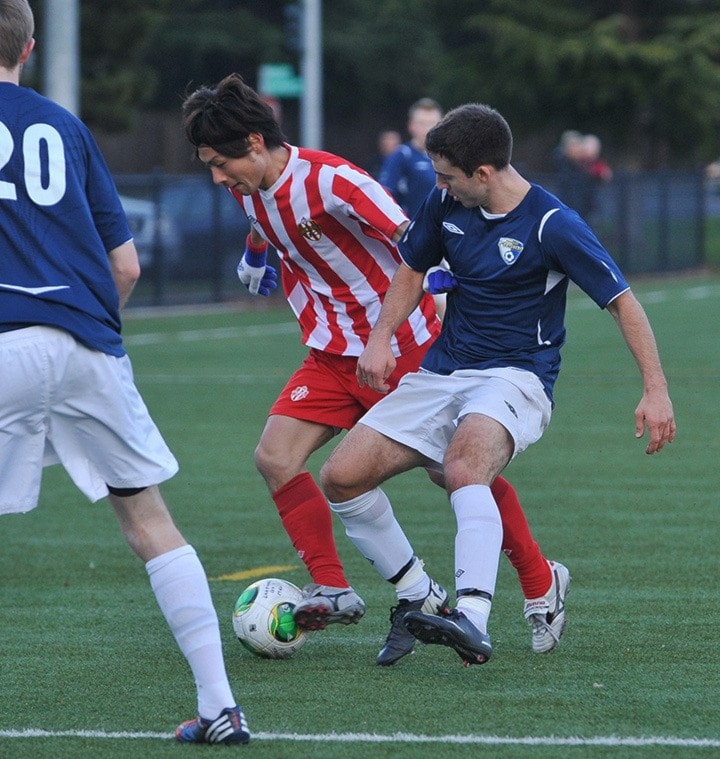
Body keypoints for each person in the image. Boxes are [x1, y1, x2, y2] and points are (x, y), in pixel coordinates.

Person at [181, 74, 570, 667]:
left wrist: (436, 294)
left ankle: (540, 579)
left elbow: (412, 237)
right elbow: (262, 221)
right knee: (276, 458)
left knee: (457, 473)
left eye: (220, 162)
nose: (217, 177)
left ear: (255, 144)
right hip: (329, 351)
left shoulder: (332, 180)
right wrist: (254, 257)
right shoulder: (246, 185)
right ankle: (350, 588)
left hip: (399, 350)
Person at [320, 103, 675, 667]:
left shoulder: (552, 224)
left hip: (517, 376)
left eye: (447, 176)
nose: (438, 185)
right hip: (443, 371)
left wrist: (655, 389)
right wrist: (382, 336)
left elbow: (622, 302)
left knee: (462, 467)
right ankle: (419, 594)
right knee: (341, 478)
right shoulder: (444, 203)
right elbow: (411, 269)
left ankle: (472, 619)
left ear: (483, 173)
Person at [0, 1, 249, 745]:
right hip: (87, 343)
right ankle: (220, 705)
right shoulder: (66, 127)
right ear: (31, 47)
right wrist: (91, 334)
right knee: (149, 521)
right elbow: (126, 265)